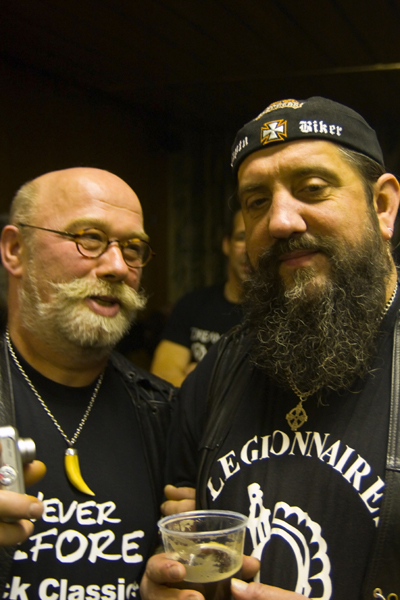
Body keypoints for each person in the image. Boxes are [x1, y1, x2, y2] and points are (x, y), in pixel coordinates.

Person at [140, 97, 400, 600]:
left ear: (383, 205)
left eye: (313, 188)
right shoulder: (220, 369)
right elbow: (175, 529)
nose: (280, 221)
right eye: (257, 201)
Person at [0, 167, 174, 599]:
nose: (117, 266)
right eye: (89, 238)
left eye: (133, 249)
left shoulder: (166, 413)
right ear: (16, 250)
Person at [151, 209, 248, 386]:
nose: (249, 250)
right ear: (226, 244)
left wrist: (199, 377)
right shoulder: (193, 304)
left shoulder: (279, 314)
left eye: (257, 240)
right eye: (242, 238)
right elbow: (162, 377)